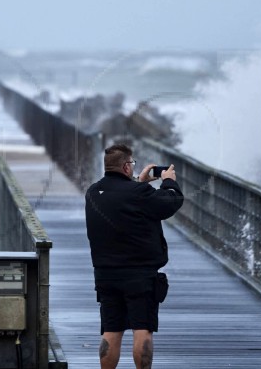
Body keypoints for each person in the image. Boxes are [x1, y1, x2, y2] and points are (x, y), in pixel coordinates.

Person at [85, 144, 183, 369]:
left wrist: (139, 183)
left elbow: (121, 200)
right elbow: (171, 202)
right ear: (127, 166)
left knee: (111, 329)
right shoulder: (139, 194)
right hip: (139, 274)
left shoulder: (93, 193)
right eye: (132, 164)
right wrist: (168, 181)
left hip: (105, 274)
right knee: (142, 327)